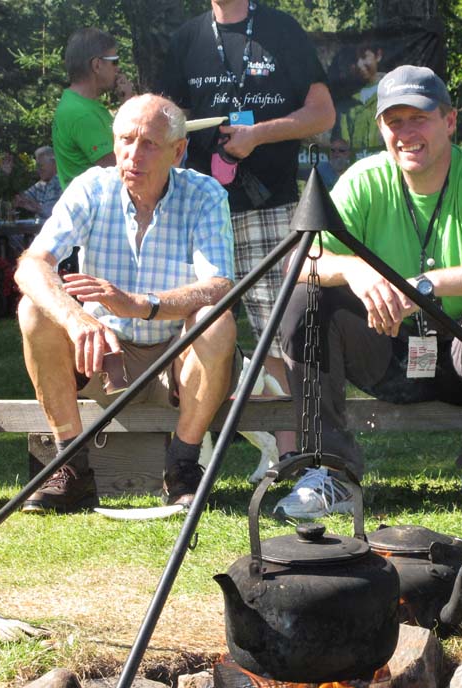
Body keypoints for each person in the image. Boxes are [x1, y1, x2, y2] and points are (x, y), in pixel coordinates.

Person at [276, 66, 462, 521]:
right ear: (380, 127)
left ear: (450, 121)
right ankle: (329, 471)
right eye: (393, 121)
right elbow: (296, 262)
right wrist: (354, 269)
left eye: (419, 118)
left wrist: (428, 284)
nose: (406, 133)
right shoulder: (364, 180)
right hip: (387, 349)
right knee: (305, 301)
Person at [14, 94, 237, 513]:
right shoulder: (91, 188)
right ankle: (70, 467)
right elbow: (30, 265)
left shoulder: (205, 194)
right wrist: (77, 320)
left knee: (216, 319)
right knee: (33, 310)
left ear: (178, 151)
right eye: (125, 140)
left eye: (149, 143)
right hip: (102, 357)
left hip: (178, 358)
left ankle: (183, 467)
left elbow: (219, 286)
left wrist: (141, 304)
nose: (133, 155)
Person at [158, 0, 336, 456]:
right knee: (193, 331)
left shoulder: (282, 29)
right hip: (198, 210)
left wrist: (257, 134)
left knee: (283, 333)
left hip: (270, 206)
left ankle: (292, 457)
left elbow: (321, 115)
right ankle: (185, 461)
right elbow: (165, 126)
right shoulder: (186, 39)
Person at [52, 28, 120, 189]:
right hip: (96, 211)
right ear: (97, 65)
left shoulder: (77, 103)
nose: (118, 68)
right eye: (114, 61)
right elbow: (123, 168)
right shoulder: (81, 113)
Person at [14, 146, 62, 220]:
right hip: (39, 229)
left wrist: (38, 208)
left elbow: (59, 214)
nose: (38, 169)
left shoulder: (62, 183)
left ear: (54, 163)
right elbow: (20, 198)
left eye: (41, 166)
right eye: (37, 166)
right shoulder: (41, 185)